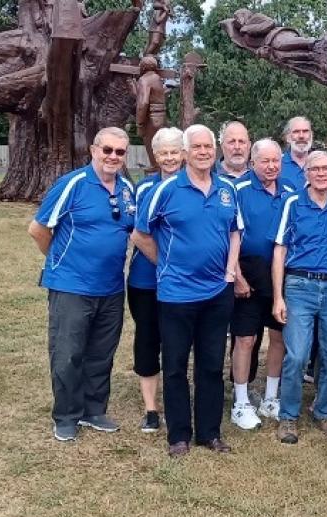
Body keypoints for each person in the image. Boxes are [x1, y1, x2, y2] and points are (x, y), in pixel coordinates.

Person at [132, 124, 242, 457]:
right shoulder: (165, 191)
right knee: (177, 366)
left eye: (209, 146)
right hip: (176, 294)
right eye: (197, 147)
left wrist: (230, 271)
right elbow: (140, 234)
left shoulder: (227, 190)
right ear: (184, 153)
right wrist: (165, 263)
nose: (204, 152)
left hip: (216, 294)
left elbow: (235, 231)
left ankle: (209, 433)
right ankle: (179, 435)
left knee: (211, 366)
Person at [28, 127, 135, 442]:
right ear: (93, 150)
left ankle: (94, 410)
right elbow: (37, 228)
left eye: (120, 152)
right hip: (72, 285)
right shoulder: (73, 184)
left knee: (102, 352)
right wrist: (61, 260)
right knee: (68, 352)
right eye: (107, 150)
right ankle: (66, 415)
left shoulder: (127, 189)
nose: (113, 157)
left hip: (112, 287)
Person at [270, 151, 327, 443]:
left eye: (326, 168)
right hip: (299, 286)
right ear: (306, 173)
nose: (320, 173)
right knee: (297, 355)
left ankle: (324, 411)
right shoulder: (292, 203)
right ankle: (288, 416)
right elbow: (279, 250)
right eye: (315, 168)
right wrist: (278, 297)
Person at [228, 138, 293, 431]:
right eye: (265, 161)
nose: (271, 166)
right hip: (248, 275)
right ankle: (240, 401)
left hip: (280, 276)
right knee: (245, 339)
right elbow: (230, 236)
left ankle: (270, 398)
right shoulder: (238, 190)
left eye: (275, 161)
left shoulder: (291, 193)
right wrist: (237, 275)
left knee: (278, 338)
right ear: (253, 163)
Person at [127, 127, 184, 433]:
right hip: (146, 281)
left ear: (183, 154)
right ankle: (151, 408)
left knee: (177, 341)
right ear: (155, 155)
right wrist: (166, 264)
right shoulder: (144, 188)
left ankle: (178, 398)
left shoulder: (195, 186)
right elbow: (138, 233)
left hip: (183, 285)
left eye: (175, 151)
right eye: (164, 152)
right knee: (148, 339)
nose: (170, 157)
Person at [134, 56, 167, 173]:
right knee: (159, 143)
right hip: (161, 115)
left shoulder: (144, 80)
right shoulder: (157, 78)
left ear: (143, 66)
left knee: (150, 142)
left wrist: (139, 123)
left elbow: (143, 102)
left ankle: (155, 167)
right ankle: (158, 166)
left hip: (151, 117)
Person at [280, 116, 313, 188]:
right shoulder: (277, 164)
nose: (301, 136)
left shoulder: (320, 164)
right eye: (296, 132)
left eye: (305, 131)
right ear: (288, 137)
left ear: (311, 136)